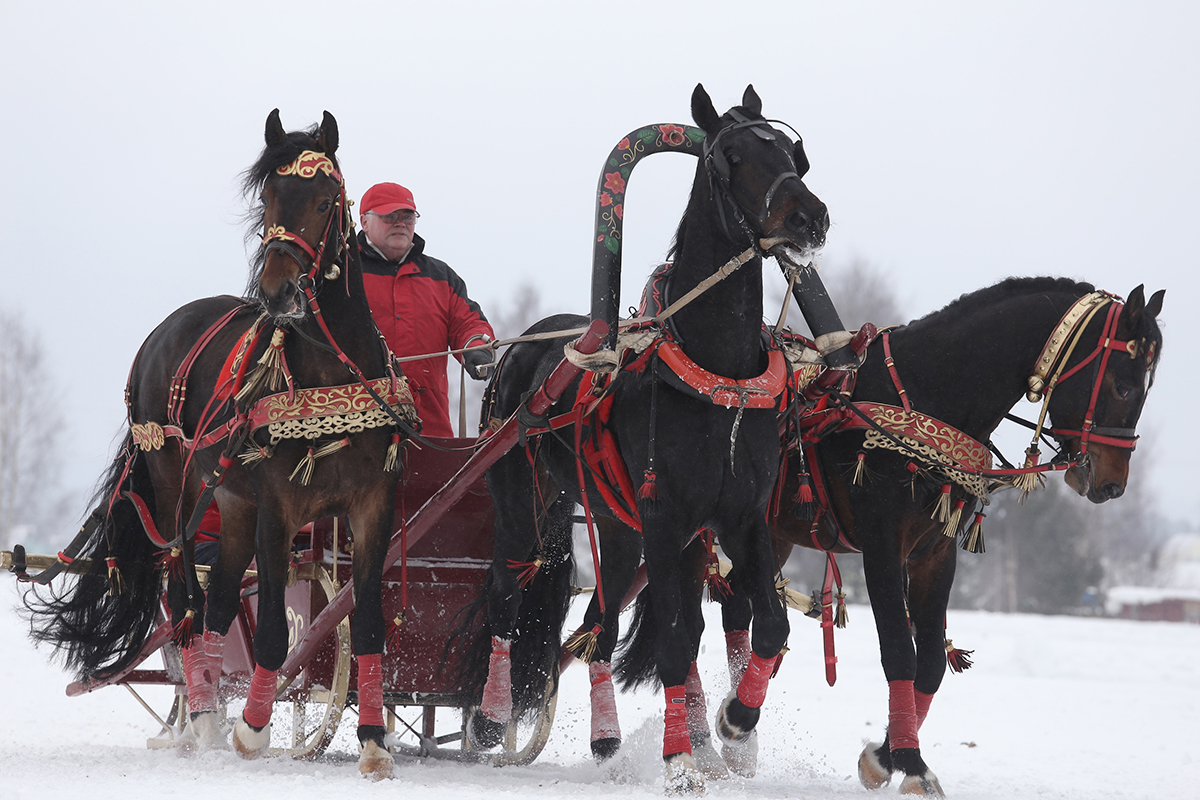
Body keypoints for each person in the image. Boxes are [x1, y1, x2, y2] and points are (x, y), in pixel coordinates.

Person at [358, 182, 496, 438]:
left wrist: (476, 347)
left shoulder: (441, 277)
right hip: (355, 425)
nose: (400, 223)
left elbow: (468, 322)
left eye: (408, 216)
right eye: (390, 216)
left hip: (429, 425)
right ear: (364, 222)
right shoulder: (341, 274)